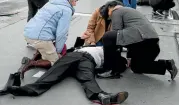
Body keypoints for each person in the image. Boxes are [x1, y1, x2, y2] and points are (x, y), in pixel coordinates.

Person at [1, 46, 129, 105]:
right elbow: (120, 62)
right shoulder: (105, 50)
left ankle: (101, 96)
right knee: (85, 78)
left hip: (83, 59)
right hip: (82, 57)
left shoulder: (105, 52)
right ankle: (101, 95)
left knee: (56, 73)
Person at [97, 5, 178, 80]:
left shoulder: (116, 11)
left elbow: (116, 35)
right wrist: (128, 58)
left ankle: (110, 69)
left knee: (108, 36)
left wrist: (114, 62)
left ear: (110, 8)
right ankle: (167, 64)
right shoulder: (130, 14)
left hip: (142, 40)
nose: (111, 19)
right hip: (151, 43)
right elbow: (128, 38)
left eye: (109, 18)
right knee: (137, 67)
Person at [20, 0, 79, 79]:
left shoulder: (52, 2)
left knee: (46, 47)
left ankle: (36, 56)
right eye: (75, 1)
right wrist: (58, 52)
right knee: (55, 62)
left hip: (28, 33)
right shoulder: (66, 10)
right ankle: (31, 64)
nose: (75, 4)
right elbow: (61, 34)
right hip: (40, 37)